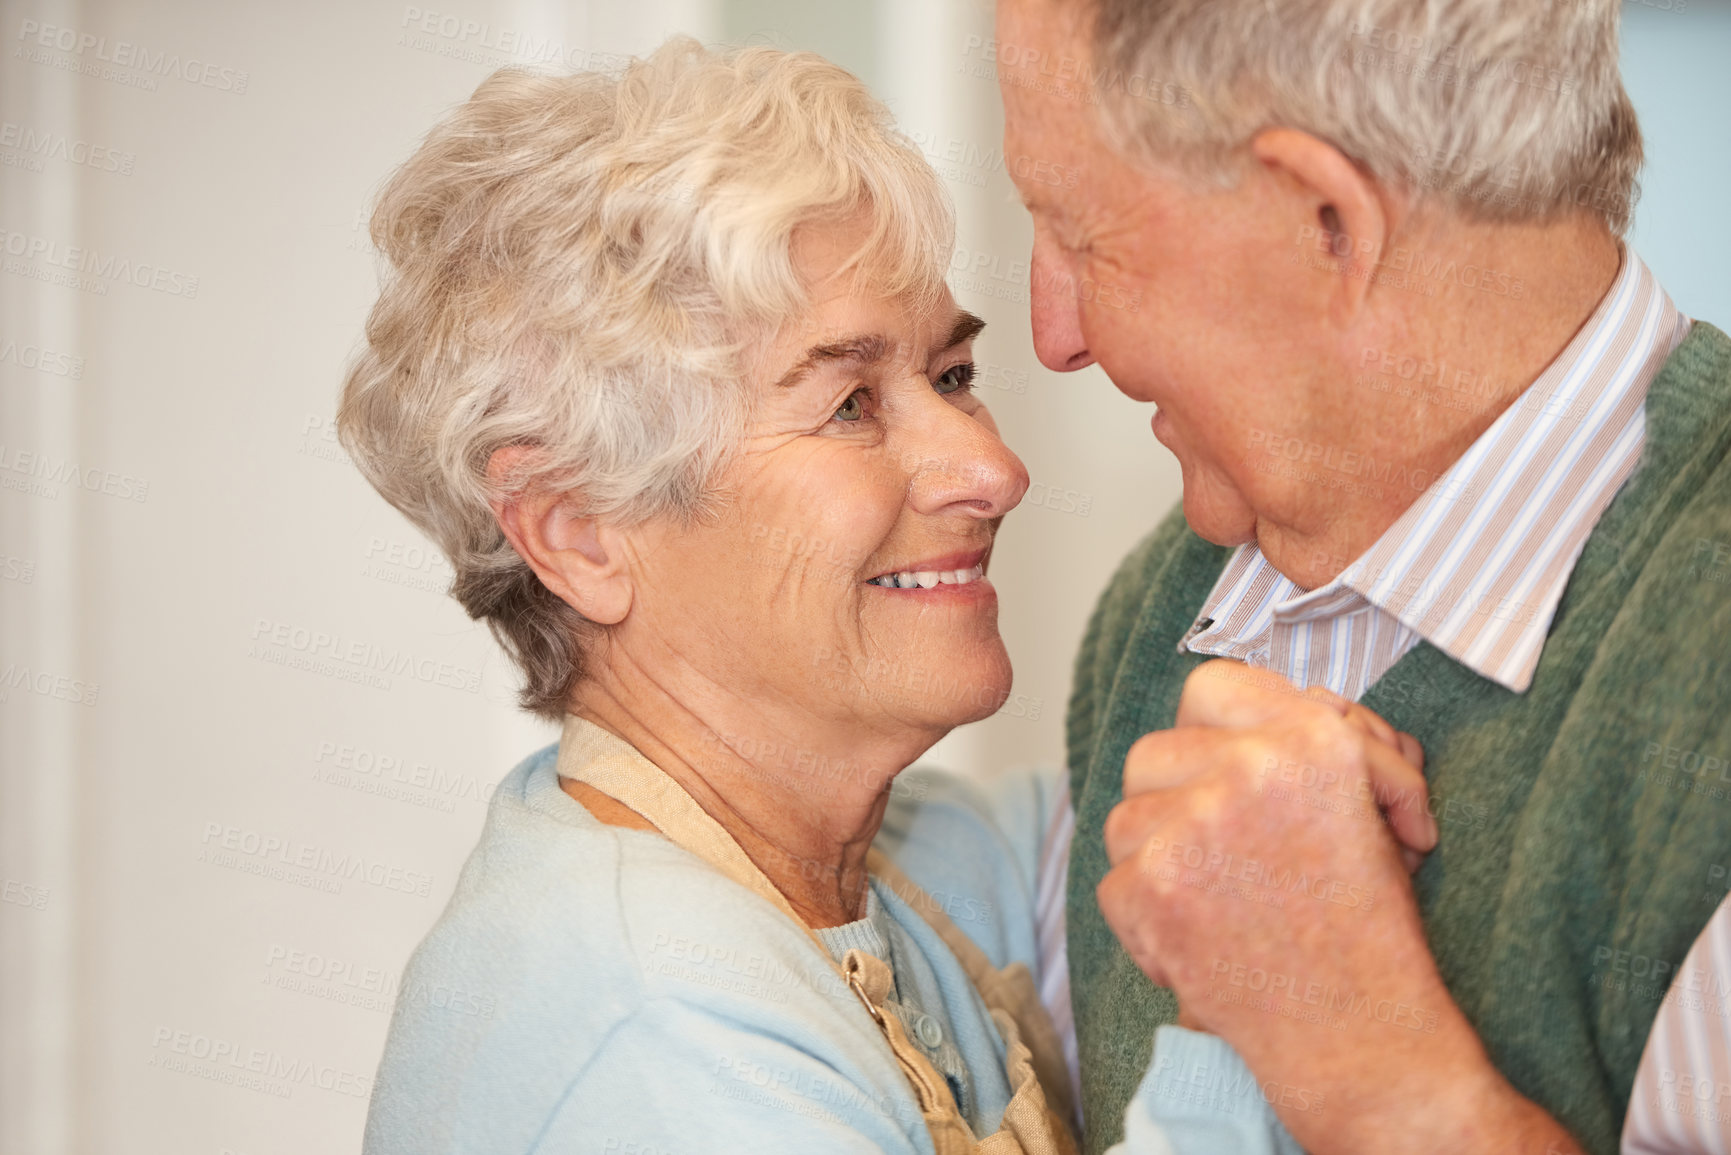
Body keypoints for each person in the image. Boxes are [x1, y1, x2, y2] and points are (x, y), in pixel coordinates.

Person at [338, 38, 1435, 1155]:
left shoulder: (916, 866)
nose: (992, 472)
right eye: (852, 405)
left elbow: (1205, 819)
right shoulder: (655, 1028)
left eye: (952, 378)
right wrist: (1235, 1019)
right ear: (577, 533)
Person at [994, 0, 1731, 1152]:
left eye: (1082, 238)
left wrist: (1373, 1070)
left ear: (1324, 220)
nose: (1055, 334)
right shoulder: (1162, 614)